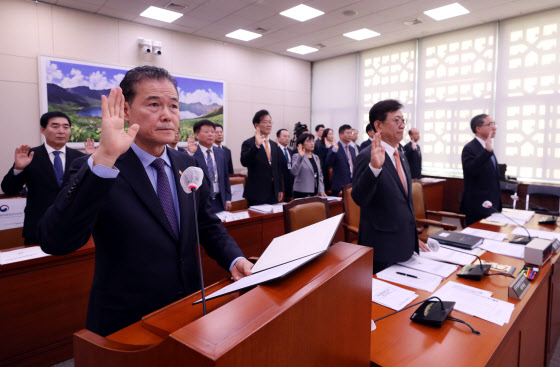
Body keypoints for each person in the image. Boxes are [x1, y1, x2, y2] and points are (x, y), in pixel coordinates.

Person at [38, 65, 252, 337]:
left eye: (174, 106)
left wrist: (235, 260)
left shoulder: (186, 163)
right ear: (126, 111)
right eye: (154, 104)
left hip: (189, 309)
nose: (167, 115)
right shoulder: (98, 167)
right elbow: (56, 241)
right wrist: (104, 158)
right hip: (128, 322)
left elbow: (206, 225)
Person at [351, 99, 429, 273]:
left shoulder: (400, 154)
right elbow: (359, 198)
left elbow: (403, 203)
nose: (402, 126)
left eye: (403, 121)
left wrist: (413, 239)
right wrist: (374, 168)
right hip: (383, 249)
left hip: (405, 246)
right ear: (378, 125)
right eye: (396, 120)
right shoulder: (367, 156)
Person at [1, 112, 94, 245]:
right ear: (43, 130)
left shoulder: (80, 158)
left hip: (73, 229)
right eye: (55, 126)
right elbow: (8, 189)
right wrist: (18, 168)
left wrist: (92, 166)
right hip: (38, 229)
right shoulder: (29, 155)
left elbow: (89, 192)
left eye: (66, 127)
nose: (61, 131)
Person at [460, 114, 502, 226]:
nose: (494, 127)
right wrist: (486, 152)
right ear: (478, 129)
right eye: (490, 124)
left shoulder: (487, 146)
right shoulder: (470, 148)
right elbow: (470, 170)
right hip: (478, 207)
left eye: (494, 124)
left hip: (492, 205)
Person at [186, 119, 231, 213]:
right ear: (197, 135)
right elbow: (185, 175)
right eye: (206, 132)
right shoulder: (192, 153)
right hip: (201, 202)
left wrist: (228, 199)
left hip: (219, 199)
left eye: (212, 132)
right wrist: (190, 154)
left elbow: (225, 177)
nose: (210, 134)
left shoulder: (221, 152)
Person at [240, 110, 285, 206]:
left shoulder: (274, 145)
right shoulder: (249, 143)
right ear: (257, 125)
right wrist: (256, 146)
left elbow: (277, 168)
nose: (269, 125)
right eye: (265, 122)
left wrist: (280, 188)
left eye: (270, 122)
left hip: (273, 192)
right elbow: (244, 162)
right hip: (257, 193)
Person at [291, 133, 326, 199]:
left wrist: (321, 190)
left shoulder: (316, 157)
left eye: (313, 141)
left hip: (315, 191)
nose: (312, 143)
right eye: (308, 141)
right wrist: (301, 156)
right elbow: (294, 172)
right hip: (302, 192)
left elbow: (320, 175)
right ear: (301, 145)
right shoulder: (296, 156)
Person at [325, 124, 356, 196]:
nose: (350, 135)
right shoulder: (334, 148)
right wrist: (335, 150)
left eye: (351, 133)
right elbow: (328, 163)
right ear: (340, 135)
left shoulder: (352, 149)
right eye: (348, 133)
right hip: (339, 185)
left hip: (352, 184)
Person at [276, 128, 294, 199]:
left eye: (288, 136)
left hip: (290, 183)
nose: (287, 138)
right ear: (278, 138)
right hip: (281, 183)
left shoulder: (290, 151)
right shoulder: (275, 150)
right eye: (284, 136)